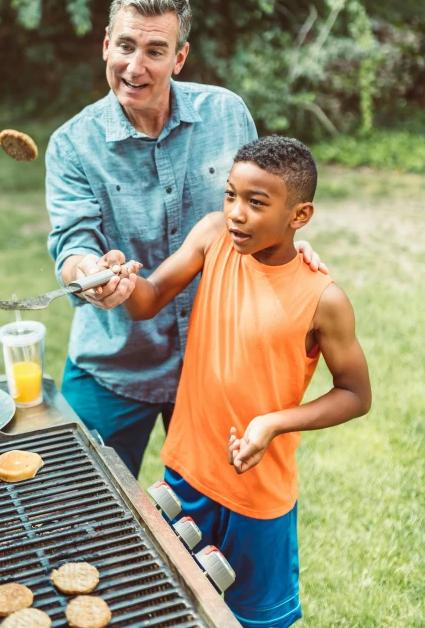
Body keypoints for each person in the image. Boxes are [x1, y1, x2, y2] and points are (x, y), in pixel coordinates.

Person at [46, 0, 324, 477]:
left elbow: (262, 211)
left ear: (179, 57)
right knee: (82, 507)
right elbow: (73, 241)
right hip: (112, 363)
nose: (136, 66)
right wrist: (90, 272)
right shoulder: (72, 145)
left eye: (156, 50)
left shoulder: (226, 113)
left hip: (216, 365)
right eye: (126, 45)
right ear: (107, 45)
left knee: (216, 522)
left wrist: (293, 253)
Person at [107, 136, 371, 627]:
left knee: (255, 619)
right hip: (186, 470)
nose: (236, 213)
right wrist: (122, 282)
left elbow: (356, 394)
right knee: (176, 603)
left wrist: (272, 422)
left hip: (257, 497)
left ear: (300, 215)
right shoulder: (212, 238)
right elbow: (150, 297)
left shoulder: (323, 299)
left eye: (256, 203)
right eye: (230, 195)